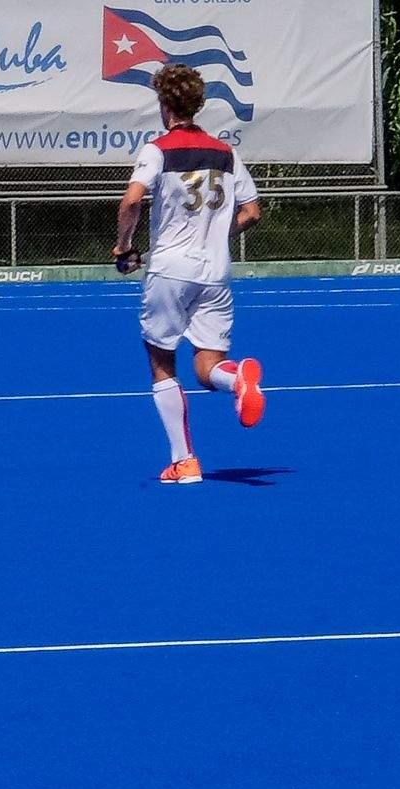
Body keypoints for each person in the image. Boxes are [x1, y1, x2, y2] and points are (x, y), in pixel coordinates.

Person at [110, 64, 265, 485]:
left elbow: (131, 202)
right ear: (198, 104)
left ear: (164, 105)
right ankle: (236, 382)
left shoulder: (157, 149)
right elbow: (251, 212)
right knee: (208, 365)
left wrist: (124, 248)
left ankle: (184, 461)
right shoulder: (226, 153)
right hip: (214, 273)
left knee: (162, 362)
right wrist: (216, 233)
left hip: (171, 271)